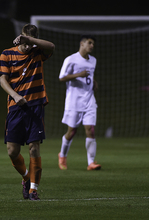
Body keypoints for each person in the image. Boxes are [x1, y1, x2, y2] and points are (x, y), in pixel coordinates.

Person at [0, 24, 55, 200]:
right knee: (12, 151)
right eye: (24, 41)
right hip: (15, 107)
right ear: (19, 36)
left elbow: (51, 46)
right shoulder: (7, 53)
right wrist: (15, 95)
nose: (27, 47)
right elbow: (2, 80)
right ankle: (26, 177)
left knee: (34, 147)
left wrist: (29, 41)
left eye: (30, 42)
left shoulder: (38, 52)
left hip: (35, 105)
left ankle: (33, 190)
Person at [58, 35, 101, 171]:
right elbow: (62, 77)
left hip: (89, 100)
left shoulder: (93, 60)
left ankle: (91, 162)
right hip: (74, 101)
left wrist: (93, 82)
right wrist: (78, 75)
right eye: (89, 43)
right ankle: (62, 155)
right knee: (71, 132)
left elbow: (89, 74)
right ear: (82, 44)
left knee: (91, 130)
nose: (91, 46)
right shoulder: (71, 59)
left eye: (93, 43)